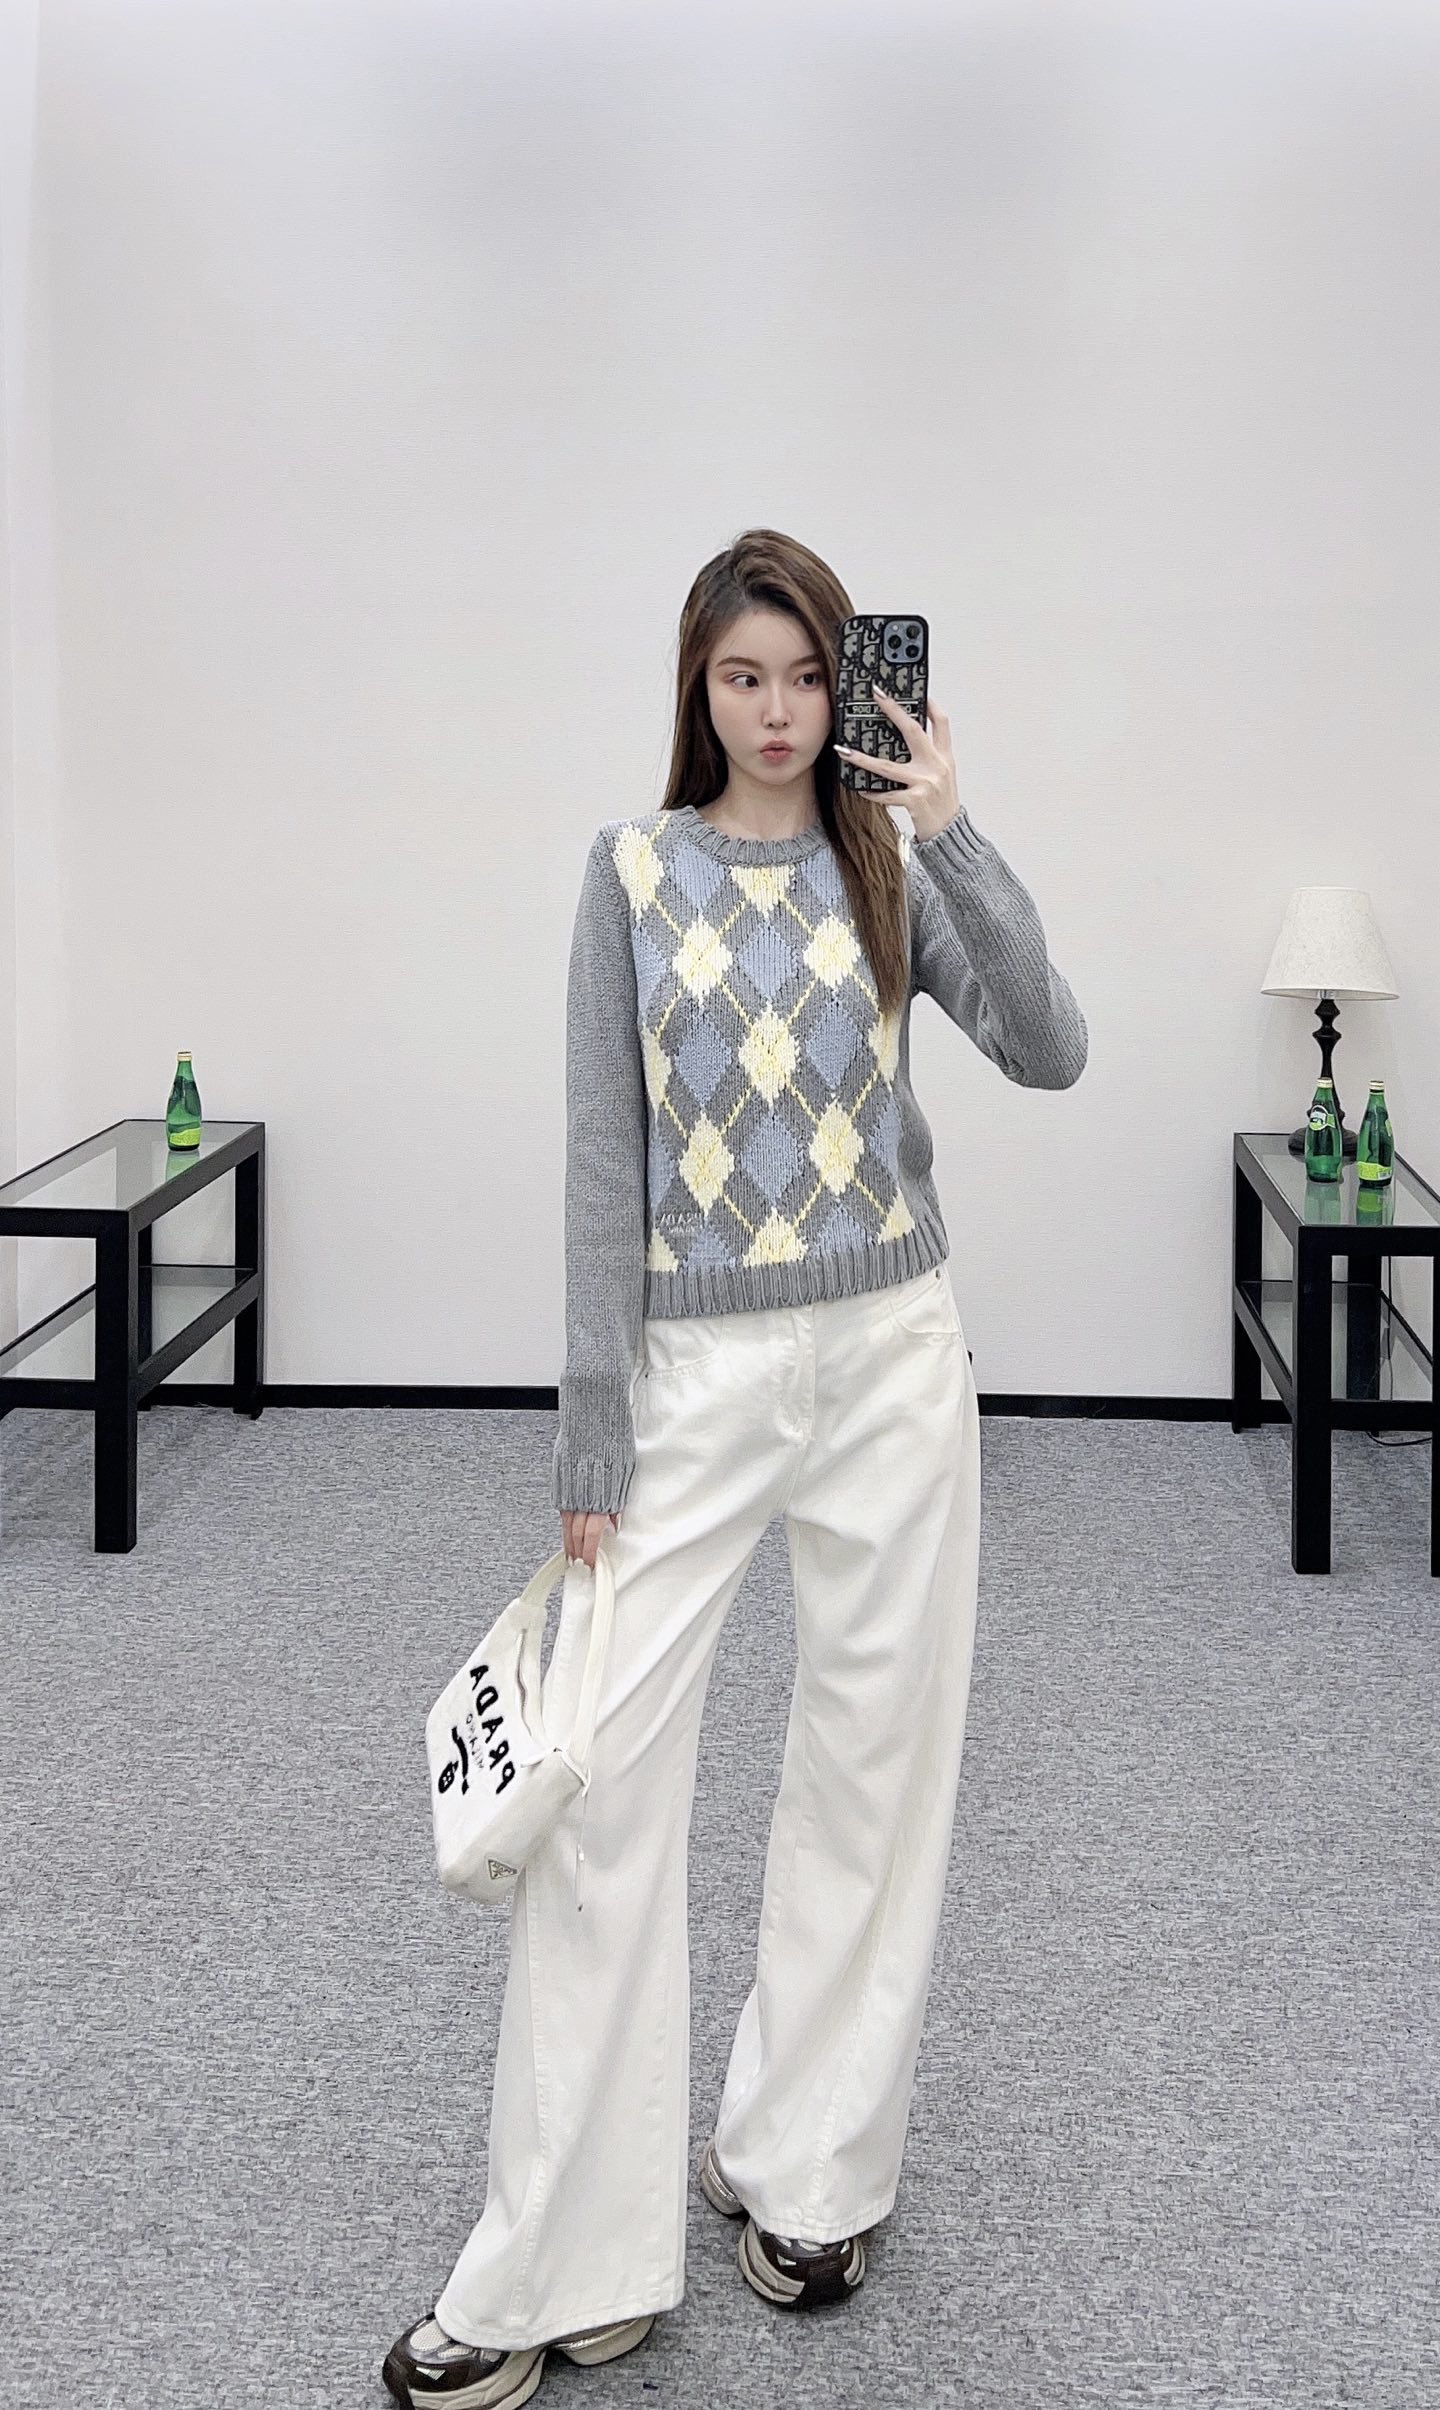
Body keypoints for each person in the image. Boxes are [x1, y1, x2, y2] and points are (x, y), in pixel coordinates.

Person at [383, 527, 1088, 2408]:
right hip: (691, 1373)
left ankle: (808, 2169)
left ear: (850, 684)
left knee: (873, 1769)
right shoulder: (631, 872)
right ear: (697, 688)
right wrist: (590, 1419)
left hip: (891, 1359)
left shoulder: (888, 863)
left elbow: (1053, 1046)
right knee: (598, 1796)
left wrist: (950, 826)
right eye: (742, 677)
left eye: (806, 676)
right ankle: (561, 2261)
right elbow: (597, 1156)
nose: (778, 712)